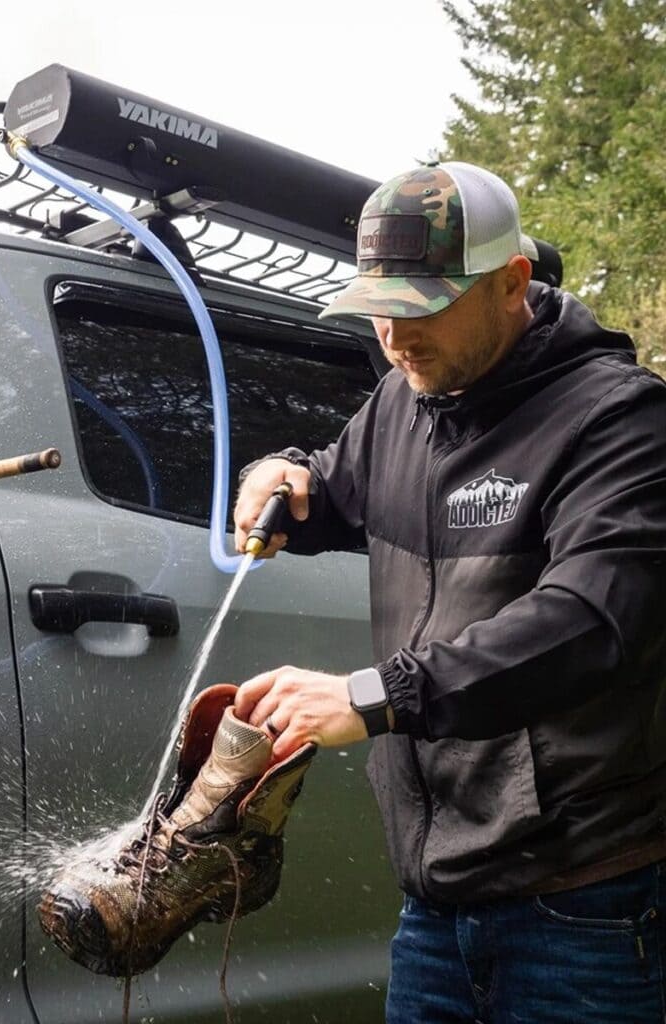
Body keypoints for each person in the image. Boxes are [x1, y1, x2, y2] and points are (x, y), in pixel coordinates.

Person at [232, 161, 666, 1022]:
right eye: (378, 311)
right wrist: (275, 471)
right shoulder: (403, 400)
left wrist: (376, 694)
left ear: (512, 283)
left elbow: (590, 621)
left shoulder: (621, 421)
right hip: (432, 909)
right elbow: (332, 484)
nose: (394, 338)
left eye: (422, 307)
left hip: (582, 906)